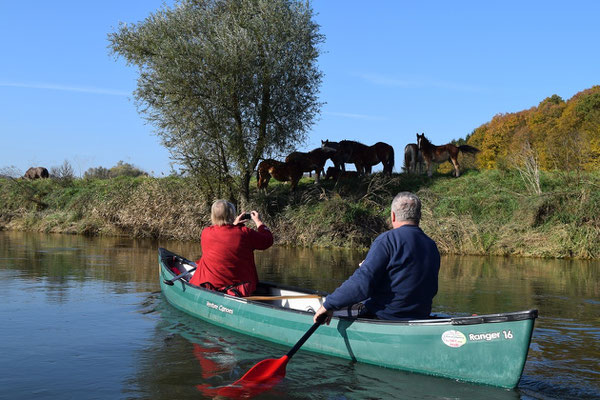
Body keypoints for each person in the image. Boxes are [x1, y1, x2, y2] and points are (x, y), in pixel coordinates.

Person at [313, 192, 440, 324]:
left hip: (386, 318)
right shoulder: (431, 245)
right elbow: (414, 281)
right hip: (420, 317)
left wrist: (329, 304)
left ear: (393, 216)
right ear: (419, 216)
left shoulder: (387, 240)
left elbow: (362, 284)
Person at [189, 200, 273, 297]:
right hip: (238, 288)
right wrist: (258, 222)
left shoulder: (206, 232)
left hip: (209, 284)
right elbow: (267, 240)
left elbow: (225, 235)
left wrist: (233, 225)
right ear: (232, 214)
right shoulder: (244, 233)